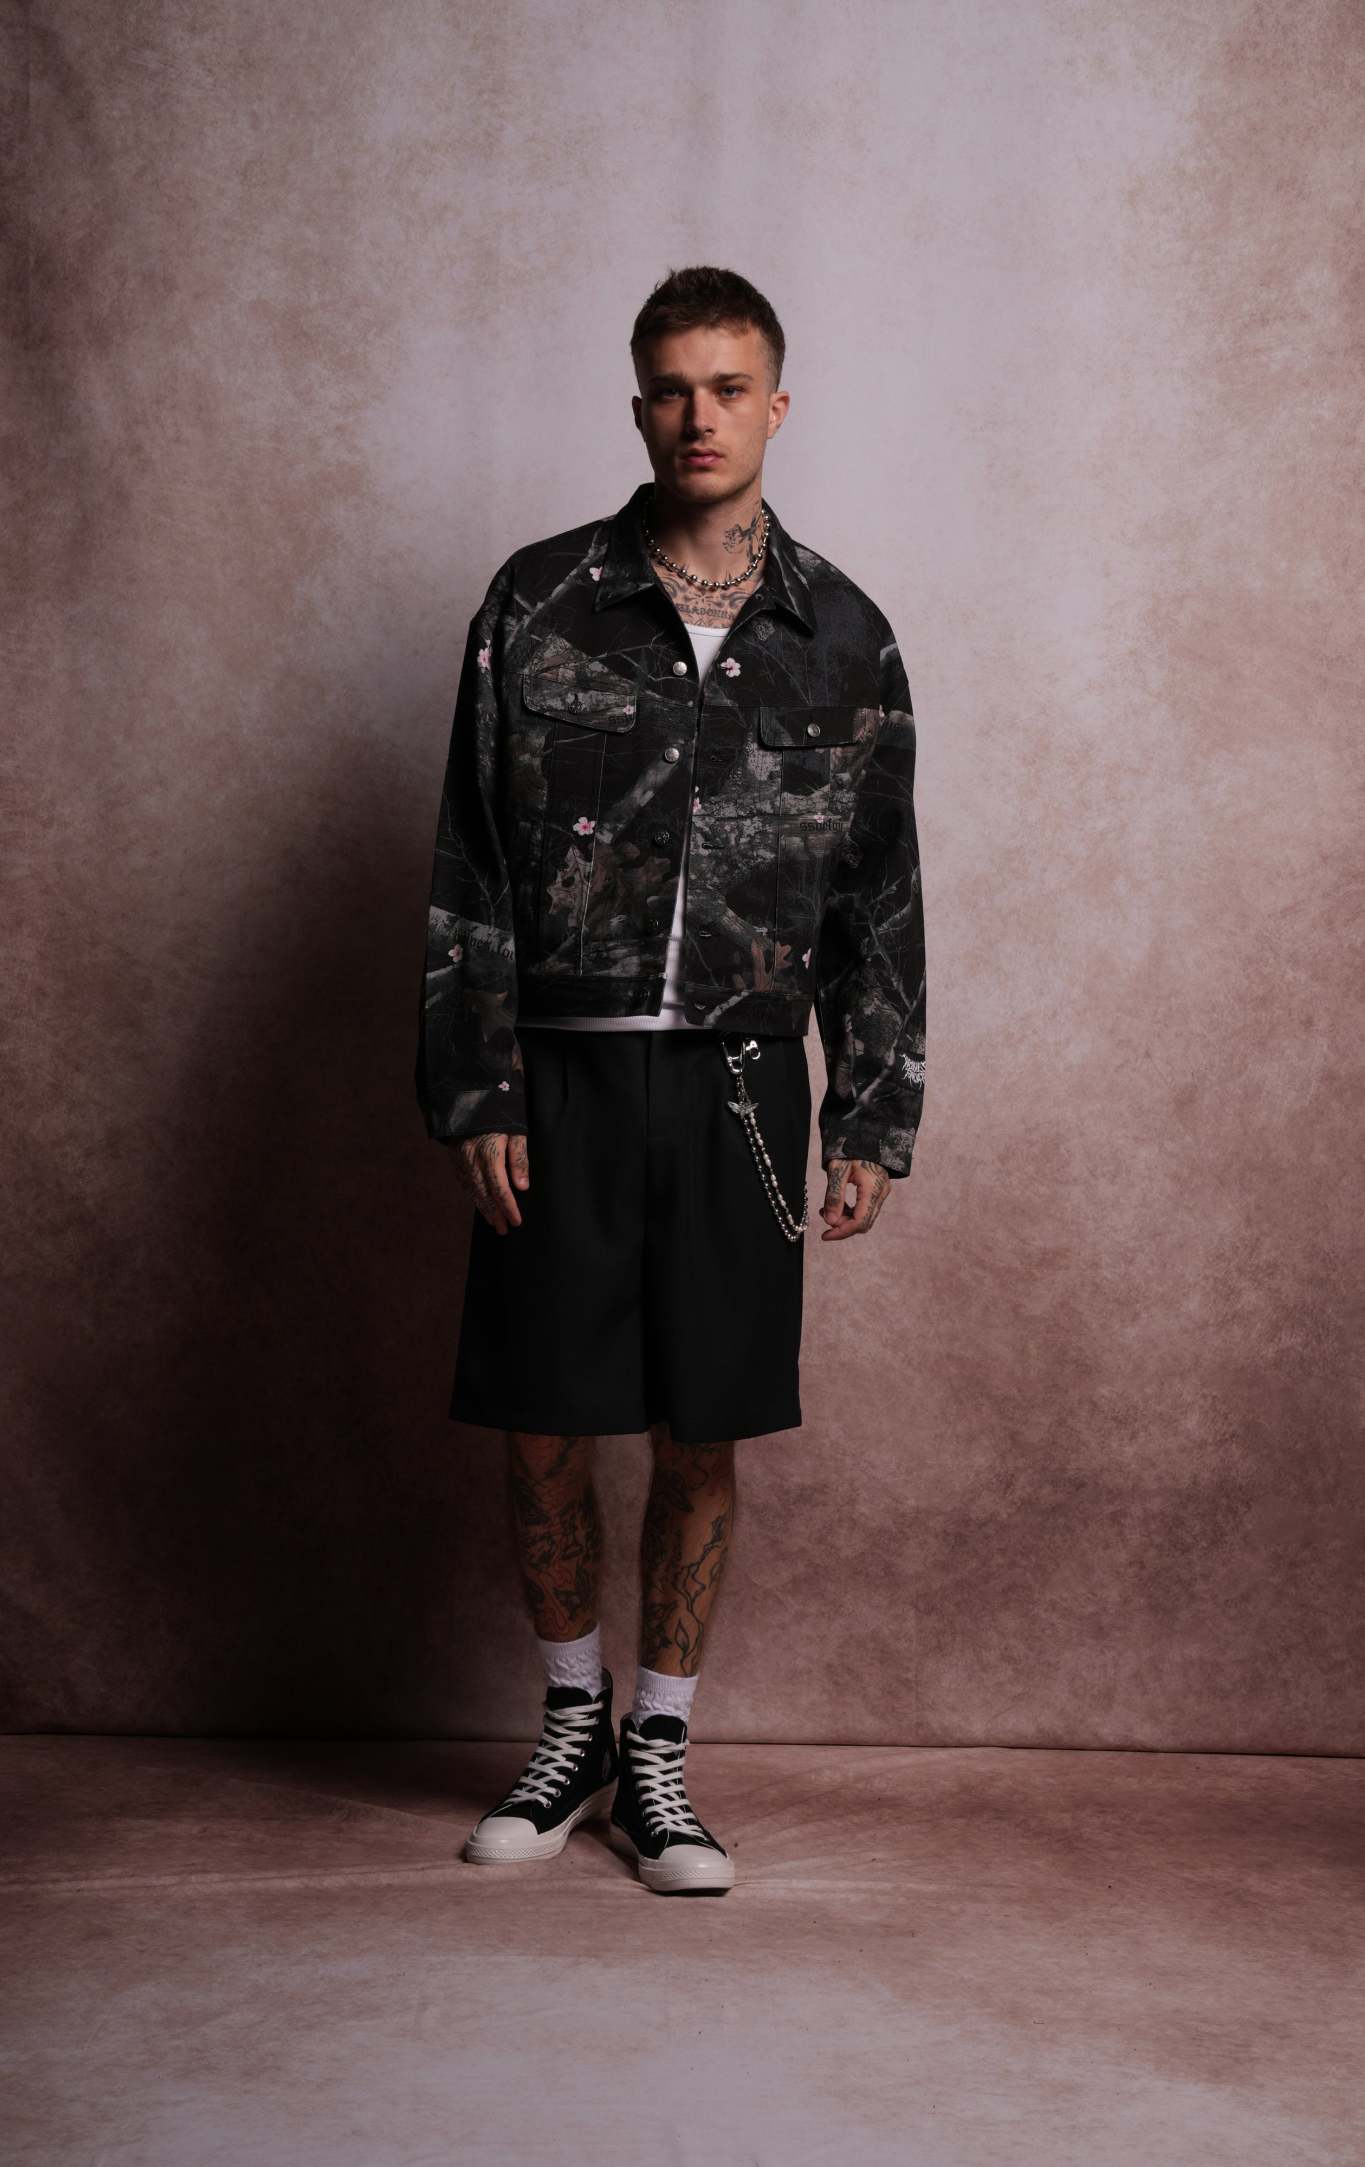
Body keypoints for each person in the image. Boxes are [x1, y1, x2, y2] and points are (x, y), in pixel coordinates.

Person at [415, 265, 926, 1895]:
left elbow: (878, 897)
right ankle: (568, 1722)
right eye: (668, 388)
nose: (697, 416)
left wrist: (873, 1112)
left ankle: (657, 1755)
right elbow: (468, 861)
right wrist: (476, 1085)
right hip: (559, 1077)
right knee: (543, 1425)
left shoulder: (843, 636)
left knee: (702, 1434)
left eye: (726, 388)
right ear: (635, 404)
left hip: (742, 1089)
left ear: (776, 404)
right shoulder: (539, 600)